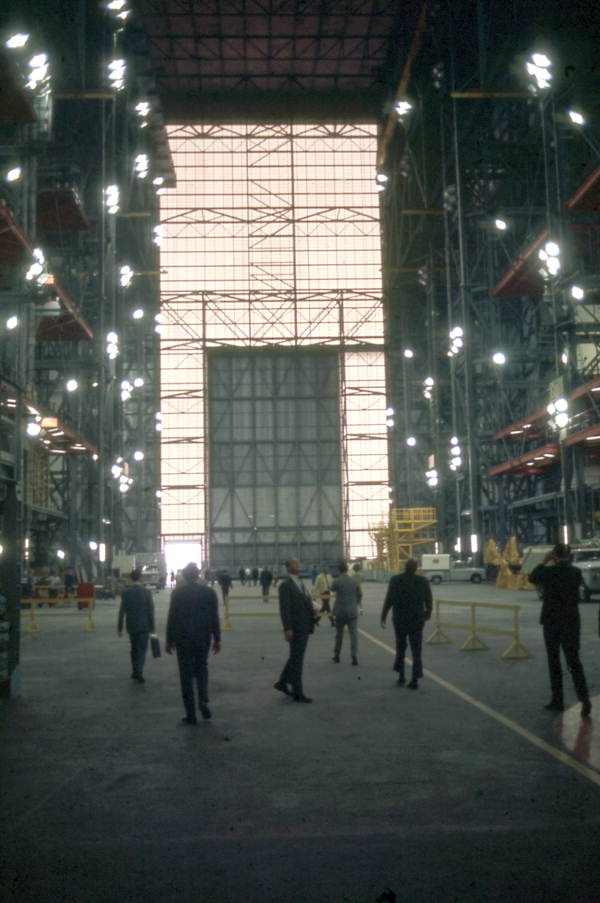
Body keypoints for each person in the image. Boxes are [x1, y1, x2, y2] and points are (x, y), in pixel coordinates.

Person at [529, 543, 591, 718]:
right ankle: (584, 699)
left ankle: (558, 700)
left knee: (554, 661)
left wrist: (544, 561)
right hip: (571, 622)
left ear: (554, 555)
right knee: (574, 661)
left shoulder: (549, 572)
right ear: (569, 555)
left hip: (552, 621)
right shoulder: (576, 573)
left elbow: (532, 578)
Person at [165, 562, 221, 724]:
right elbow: (214, 618)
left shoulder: (177, 594)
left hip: (183, 639)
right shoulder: (209, 593)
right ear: (198, 575)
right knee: (202, 669)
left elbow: (172, 618)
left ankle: (191, 713)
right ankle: (203, 700)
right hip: (203, 638)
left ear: (184, 576)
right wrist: (217, 639)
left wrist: (169, 640)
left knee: (186, 675)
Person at [380, 558, 432, 689]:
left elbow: (389, 599)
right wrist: (427, 614)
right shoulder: (423, 581)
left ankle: (401, 676)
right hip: (417, 620)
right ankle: (415, 679)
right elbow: (429, 600)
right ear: (416, 569)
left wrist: (384, 616)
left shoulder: (395, 580)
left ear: (404, 567)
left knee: (401, 648)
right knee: (416, 651)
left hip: (400, 620)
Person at [274, 557, 317, 703]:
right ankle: (298, 692)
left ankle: (282, 682)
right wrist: (288, 628)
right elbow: (284, 609)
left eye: (299, 562)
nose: (298, 564)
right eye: (295, 563)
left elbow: (305, 602)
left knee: (296, 657)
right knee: (297, 659)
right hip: (296, 627)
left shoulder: (300, 583)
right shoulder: (285, 585)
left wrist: (313, 612)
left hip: (304, 626)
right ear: (288, 567)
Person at [118, 568, 156, 683]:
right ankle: (138, 672)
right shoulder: (146, 592)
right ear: (140, 578)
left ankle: (135, 671)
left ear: (131, 578)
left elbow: (122, 611)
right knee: (142, 650)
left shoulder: (126, 592)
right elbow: (150, 611)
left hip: (131, 626)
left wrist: (119, 628)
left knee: (134, 649)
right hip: (144, 626)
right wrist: (153, 628)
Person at [331, 561, 362, 665]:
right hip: (352, 611)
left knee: (339, 635)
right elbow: (360, 595)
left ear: (339, 570)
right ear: (347, 569)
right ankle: (354, 656)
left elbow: (332, 588)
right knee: (353, 635)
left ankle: (337, 655)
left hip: (340, 611)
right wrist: (355, 603)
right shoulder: (354, 581)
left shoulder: (337, 581)